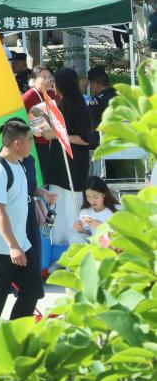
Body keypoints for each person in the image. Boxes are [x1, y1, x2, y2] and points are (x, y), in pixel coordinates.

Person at [0, 118, 43, 332]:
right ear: (17, 143)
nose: (31, 144)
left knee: (33, 289)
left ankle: (12, 335)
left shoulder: (20, 164)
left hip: (21, 243)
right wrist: (13, 246)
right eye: (29, 140)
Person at [35, 68, 99, 247]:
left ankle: (74, 241)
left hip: (73, 164)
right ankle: (53, 240)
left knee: (72, 206)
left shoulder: (79, 107)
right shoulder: (62, 104)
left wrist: (56, 135)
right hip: (58, 163)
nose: (53, 85)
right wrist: (45, 122)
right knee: (55, 204)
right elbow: (59, 129)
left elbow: (85, 139)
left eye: (55, 82)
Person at [71, 175, 119, 244]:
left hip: (111, 245)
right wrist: (81, 230)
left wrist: (102, 227)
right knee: (74, 237)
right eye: (88, 197)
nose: (92, 201)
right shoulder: (85, 212)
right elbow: (89, 234)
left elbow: (123, 236)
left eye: (95, 197)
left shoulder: (116, 209)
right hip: (93, 245)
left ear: (104, 194)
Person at [85, 66, 117, 132]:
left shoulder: (96, 101)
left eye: (91, 84)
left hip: (101, 136)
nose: (90, 87)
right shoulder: (118, 93)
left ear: (95, 84)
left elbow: (86, 120)